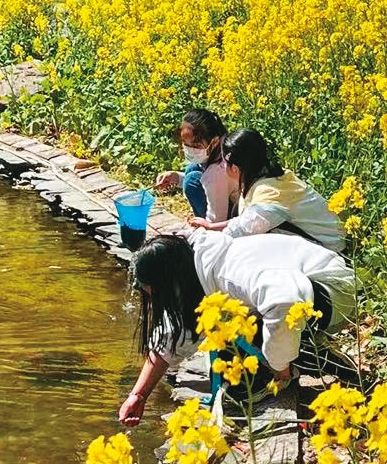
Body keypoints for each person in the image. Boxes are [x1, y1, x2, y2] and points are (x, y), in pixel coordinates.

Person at [118, 230, 355, 425]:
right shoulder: (190, 267)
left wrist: (279, 367)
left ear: (172, 283)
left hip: (333, 292)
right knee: (234, 384)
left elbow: (287, 301)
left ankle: (319, 363)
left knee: (248, 377)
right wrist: (138, 395)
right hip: (301, 296)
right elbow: (173, 335)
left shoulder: (231, 273)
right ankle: (303, 359)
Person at [189, 128, 345, 253]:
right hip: (327, 239)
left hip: (329, 250)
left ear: (235, 169)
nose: (221, 167)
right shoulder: (268, 174)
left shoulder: (268, 194)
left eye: (223, 162)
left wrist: (198, 244)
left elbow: (241, 232)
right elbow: (246, 220)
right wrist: (211, 227)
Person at [154, 109, 237, 222]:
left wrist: (204, 231)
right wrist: (176, 177)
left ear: (215, 141)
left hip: (234, 219)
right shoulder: (218, 150)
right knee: (192, 169)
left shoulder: (217, 171)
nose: (190, 150)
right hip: (224, 199)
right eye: (185, 144)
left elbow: (217, 219)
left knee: (191, 180)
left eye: (196, 146)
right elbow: (207, 183)